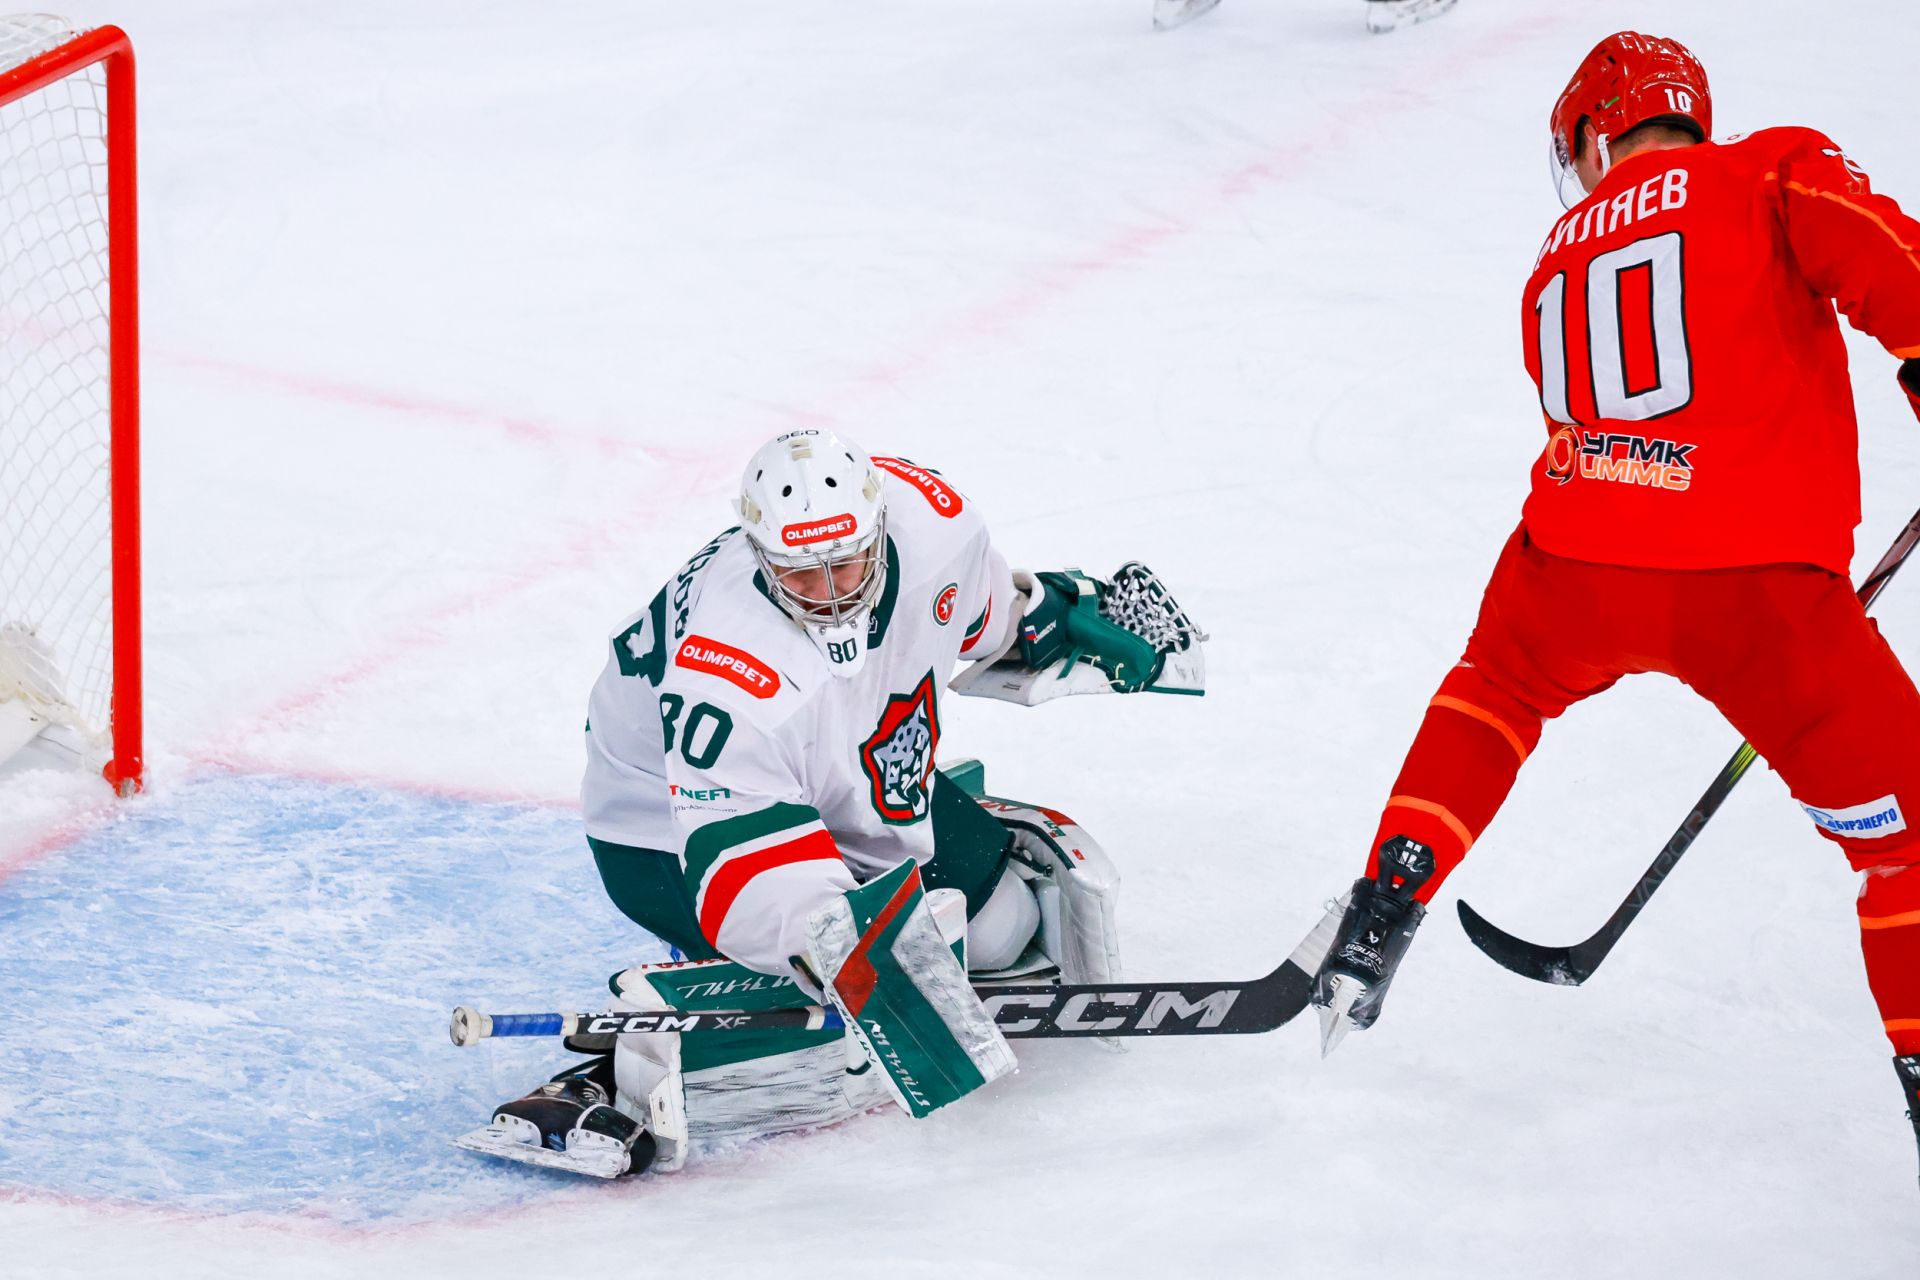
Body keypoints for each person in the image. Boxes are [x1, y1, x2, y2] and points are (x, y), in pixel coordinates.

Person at [1307, 31, 1920, 1181]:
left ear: (1595, 135)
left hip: (1580, 559)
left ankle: (1383, 903)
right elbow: (1880, 254)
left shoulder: (1555, 254)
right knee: (1911, 850)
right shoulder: (1767, 168)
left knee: (1495, 685)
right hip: (1757, 591)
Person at [457, 429, 1204, 1177]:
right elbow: (738, 855)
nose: (829, 593)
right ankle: (619, 1065)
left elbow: (975, 611)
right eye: (800, 574)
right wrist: (836, 944)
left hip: (839, 754)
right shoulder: (729, 675)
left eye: (844, 564)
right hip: (667, 822)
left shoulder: (934, 522)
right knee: (841, 1006)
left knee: (1001, 930)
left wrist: (1054, 615)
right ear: (759, 553)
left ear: (880, 525)